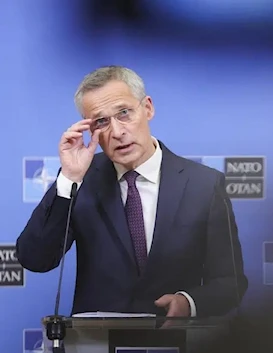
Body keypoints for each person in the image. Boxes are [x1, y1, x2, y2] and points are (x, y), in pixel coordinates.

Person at [16, 65, 248, 317]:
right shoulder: (81, 181)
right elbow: (35, 259)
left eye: (124, 113)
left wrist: (188, 302)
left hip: (176, 341)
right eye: (101, 122)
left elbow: (230, 283)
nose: (117, 132)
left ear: (147, 108)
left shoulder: (204, 184)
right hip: (98, 343)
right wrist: (69, 177)